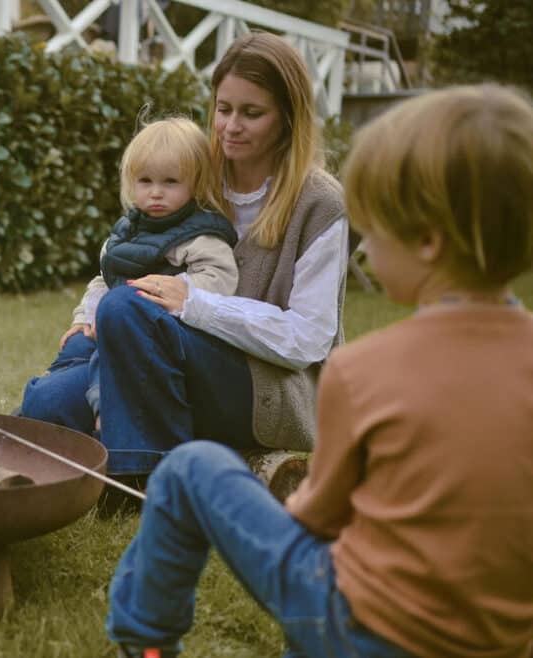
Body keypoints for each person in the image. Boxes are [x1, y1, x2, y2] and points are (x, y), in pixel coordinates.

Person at [106, 83, 533, 658]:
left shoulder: (363, 370)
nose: (365, 250)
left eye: (374, 230)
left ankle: (147, 644)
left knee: (191, 469)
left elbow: (318, 519)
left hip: (356, 629)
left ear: (429, 242)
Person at [20, 32, 348, 478]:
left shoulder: (319, 202)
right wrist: (86, 317)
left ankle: (141, 475)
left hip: (266, 385)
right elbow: (132, 252)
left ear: (288, 120)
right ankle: (184, 450)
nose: (230, 127)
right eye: (224, 109)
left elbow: (307, 339)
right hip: (155, 355)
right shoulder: (194, 172)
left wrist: (195, 304)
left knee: (127, 308)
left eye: (252, 114)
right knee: (46, 403)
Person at [21, 117, 239, 430]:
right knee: (75, 347)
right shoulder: (127, 232)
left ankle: (104, 410)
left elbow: (220, 279)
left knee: (106, 354)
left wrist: (166, 289)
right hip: (109, 325)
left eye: (170, 182)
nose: (156, 193)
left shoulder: (200, 236)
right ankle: (45, 401)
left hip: (154, 336)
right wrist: (84, 317)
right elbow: (104, 278)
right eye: (146, 181)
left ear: (196, 183)